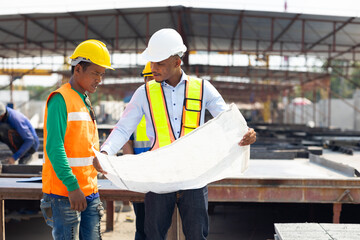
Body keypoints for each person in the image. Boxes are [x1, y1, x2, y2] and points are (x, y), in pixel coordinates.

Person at [94, 28, 256, 240]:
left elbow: (227, 119)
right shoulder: (144, 93)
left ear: (177, 62)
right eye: (152, 62)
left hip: (194, 176)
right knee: (154, 236)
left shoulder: (203, 88)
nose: (153, 68)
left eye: (159, 63)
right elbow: (123, 128)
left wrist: (245, 133)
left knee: (196, 236)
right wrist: (105, 153)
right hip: (159, 176)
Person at [41, 39, 114, 240]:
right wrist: (72, 186)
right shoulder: (60, 99)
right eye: (95, 73)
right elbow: (54, 147)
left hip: (89, 189)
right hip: (65, 192)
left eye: (102, 74)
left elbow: (82, 144)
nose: (99, 79)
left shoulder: (84, 99)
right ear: (78, 69)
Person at [121, 62, 154, 240]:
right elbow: (126, 139)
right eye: (148, 78)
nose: (150, 82)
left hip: (162, 174)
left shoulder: (171, 105)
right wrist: (132, 166)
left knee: (163, 224)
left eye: (154, 77)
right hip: (140, 174)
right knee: (142, 223)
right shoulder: (135, 106)